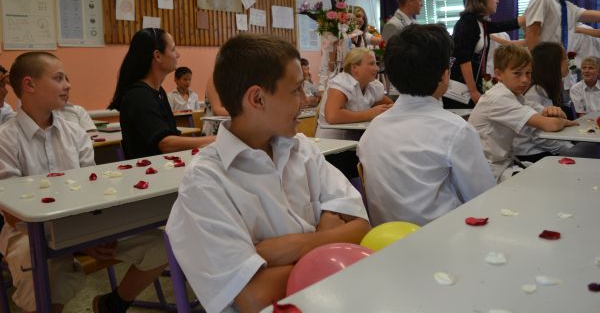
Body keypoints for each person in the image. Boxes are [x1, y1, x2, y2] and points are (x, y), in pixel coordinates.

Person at [165, 33, 370, 313]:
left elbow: (361, 227)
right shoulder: (206, 182)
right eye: (296, 90)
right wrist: (329, 231)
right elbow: (255, 297)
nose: (305, 101)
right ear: (258, 98)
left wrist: (298, 245)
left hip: (332, 300)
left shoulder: (302, 150)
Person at [0, 52, 168, 313]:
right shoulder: (6, 139)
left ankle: (113, 304)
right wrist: (79, 240)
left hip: (84, 225)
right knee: (45, 271)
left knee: (162, 245)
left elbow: (92, 191)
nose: (68, 85)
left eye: (66, 78)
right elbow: (13, 214)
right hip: (28, 234)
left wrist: (91, 234)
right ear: (29, 84)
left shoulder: (74, 132)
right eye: (58, 78)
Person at [358, 24, 495, 226]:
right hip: (444, 236)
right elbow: (484, 198)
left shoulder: (373, 130)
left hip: (385, 239)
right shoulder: (455, 130)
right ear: (445, 75)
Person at [468, 44, 578, 182]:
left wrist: (552, 111)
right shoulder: (498, 98)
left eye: (528, 73)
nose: (525, 79)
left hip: (503, 163)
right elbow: (550, 125)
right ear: (499, 74)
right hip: (487, 170)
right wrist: (561, 121)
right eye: (517, 73)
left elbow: (543, 111)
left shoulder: (515, 96)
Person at [108, 28, 214, 159]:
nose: (178, 54)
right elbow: (166, 143)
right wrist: (216, 140)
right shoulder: (138, 96)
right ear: (158, 55)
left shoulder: (159, 92)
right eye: (173, 49)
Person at [448, 0, 524, 107]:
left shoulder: (480, 23)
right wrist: (473, 91)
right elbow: (464, 60)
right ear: (481, 0)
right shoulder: (467, 23)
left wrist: (529, 16)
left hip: (469, 87)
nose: (497, 1)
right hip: (460, 90)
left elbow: (505, 25)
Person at [513, 42, 574, 163]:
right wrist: (572, 150)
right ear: (553, 64)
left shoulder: (543, 88)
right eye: (565, 58)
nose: (568, 62)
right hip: (531, 154)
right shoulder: (535, 93)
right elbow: (540, 137)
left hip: (541, 149)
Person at [316, 47, 393, 140]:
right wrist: (369, 114)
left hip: (356, 141)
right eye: (371, 64)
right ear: (354, 67)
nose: (377, 68)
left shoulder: (372, 86)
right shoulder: (341, 83)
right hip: (332, 142)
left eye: (376, 64)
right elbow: (332, 116)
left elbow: (390, 105)